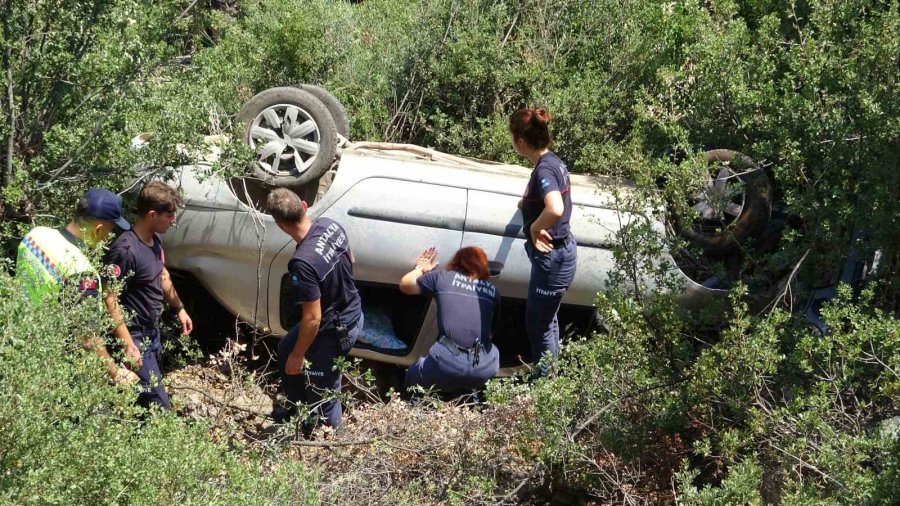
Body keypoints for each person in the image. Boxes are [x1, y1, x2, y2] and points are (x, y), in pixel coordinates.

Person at [15, 188, 139, 385]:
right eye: (110, 230)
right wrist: (116, 373)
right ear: (98, 229)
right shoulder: (81, 271)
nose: (109, 237)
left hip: (18, 340)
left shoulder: (36, 235)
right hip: (51, 362)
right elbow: (86, 335)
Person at [267, 188, 363, 427]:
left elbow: (312, 319)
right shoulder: (330, 225)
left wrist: (299, 356)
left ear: (279, 225)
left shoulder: (303, 263)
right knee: (286, 349)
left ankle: (331, 447)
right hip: (352, 312)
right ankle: (300, 412)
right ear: (304, 205)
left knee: (324, 395)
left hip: (334, 330)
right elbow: (351, 259)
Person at [104, 181, 193, 410]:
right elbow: (109, 297)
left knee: (142, 398)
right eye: (170, 216)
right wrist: (127, 345)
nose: (173, 221)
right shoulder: (125, 250)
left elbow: (161, 273)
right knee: (158, 405)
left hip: (151, 334)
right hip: (134, 336)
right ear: (152, 214)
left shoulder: (155, 240)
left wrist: (179, 308)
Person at [510, 107, 577, 378]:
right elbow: (545, 200)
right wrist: (527, 206)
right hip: (561, 255)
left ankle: (545, 386)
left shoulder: (544, 170)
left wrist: (536, 227)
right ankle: (549, 378)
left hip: (553, 259)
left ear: (521, 142)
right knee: (547, 321)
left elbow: (555, 207)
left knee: (538, 325)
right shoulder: (552, 161)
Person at [400, 246, 500, 394]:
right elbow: (492, 331)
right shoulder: (493, 291)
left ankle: (414, 406)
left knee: (415, 373)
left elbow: (405, 284)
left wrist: (420, 269)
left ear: (457, 261)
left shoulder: (442, 277)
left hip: (446, 363)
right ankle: (470, 396)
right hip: (483, 367)